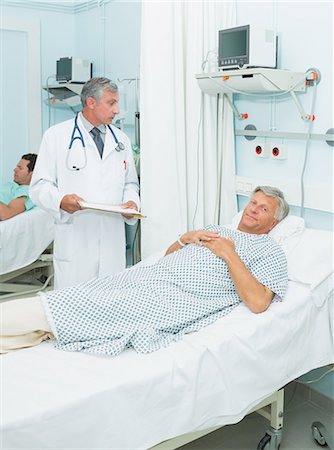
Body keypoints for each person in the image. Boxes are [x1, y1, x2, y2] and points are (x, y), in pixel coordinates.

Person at [0, 186, 289, 356]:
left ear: (273, 222)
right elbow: (169, 258)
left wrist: (229, 254)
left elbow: (259, 302)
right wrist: (183, 239)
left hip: (170, 299)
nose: (252, 209)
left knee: (76, 305)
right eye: (253, 202)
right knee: (82, 292)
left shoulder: (268, 250)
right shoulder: (215, 230)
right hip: (147, 277)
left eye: (263, 209)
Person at [29, 77, 140, 289]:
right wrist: (61, 200)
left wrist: (131, 204)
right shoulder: (56, 136)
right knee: (73, 306)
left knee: (111, 303)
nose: (117, 110)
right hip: (76, 237)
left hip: (111, 238)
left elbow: (130, 184)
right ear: (91, 102)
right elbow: (39, 186)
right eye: (111, 103)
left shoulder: (120, 139)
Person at [0, 154, 37, 221]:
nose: (15, 170)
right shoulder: (9, 185)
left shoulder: (27, 192)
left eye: (20, 168)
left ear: (31, 174)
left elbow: (6, 214)